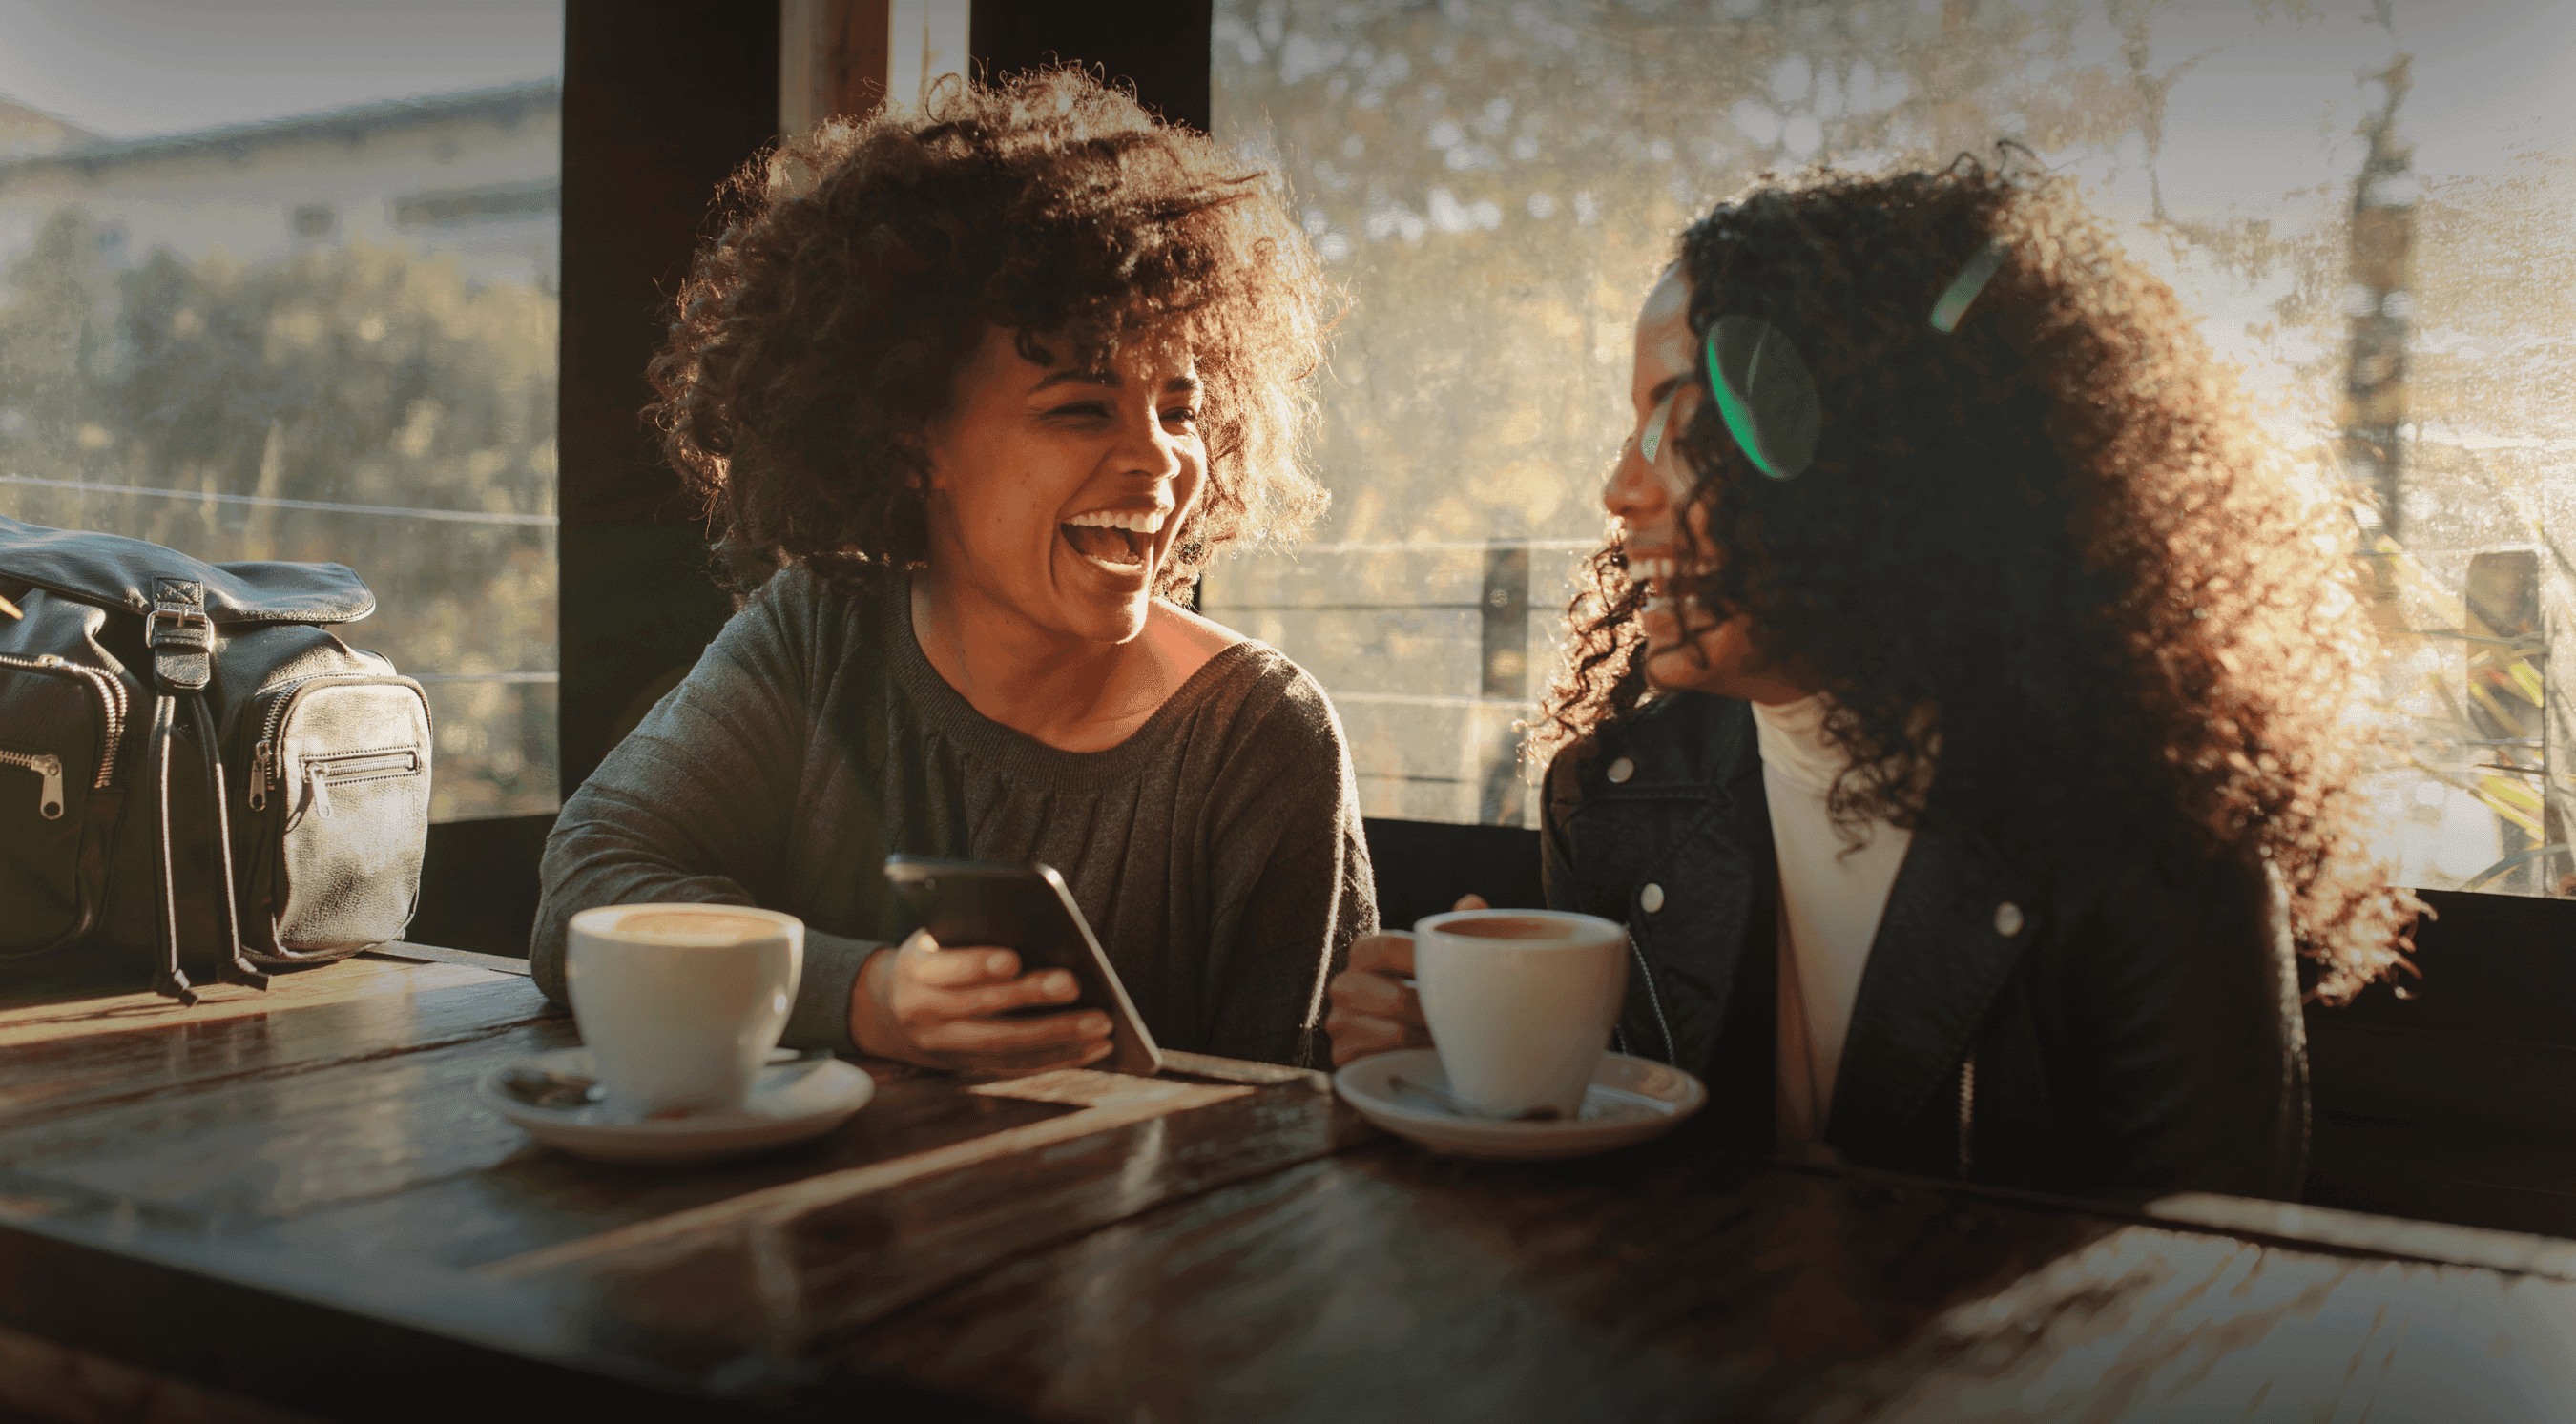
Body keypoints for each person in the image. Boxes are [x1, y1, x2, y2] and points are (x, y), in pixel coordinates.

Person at [1327, 157, 2420, 1200]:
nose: (1621, 487)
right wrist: (1473, 1073)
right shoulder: (1614, 795)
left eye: (1682, 422)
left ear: (1879, 458)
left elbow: (2203, 1299)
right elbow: (1615, 1192)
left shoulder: (2148, 840)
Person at [532, 70, 1375, 1073]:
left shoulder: (1261, 736)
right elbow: (587, 889)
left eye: (1182, 409)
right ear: (908, 433)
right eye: (1080, 406)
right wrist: (865, 996)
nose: (1160, 459)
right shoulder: (818, 635)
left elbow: (1297, 1129)